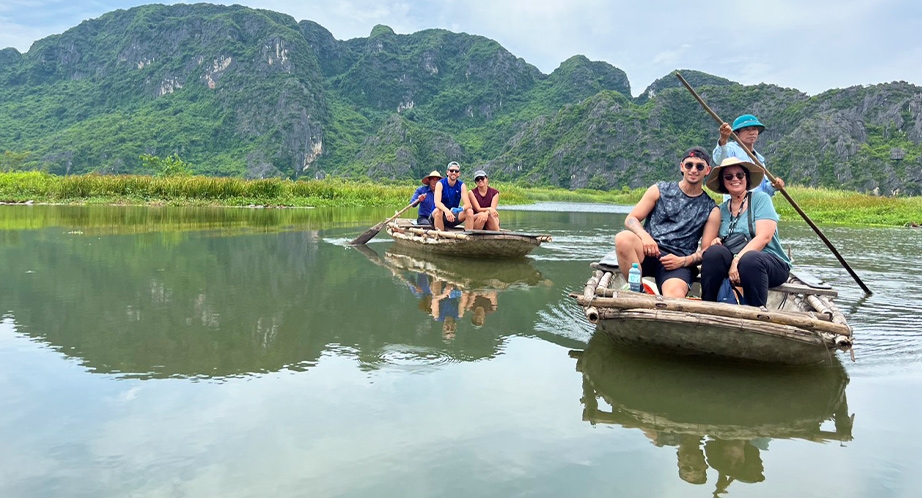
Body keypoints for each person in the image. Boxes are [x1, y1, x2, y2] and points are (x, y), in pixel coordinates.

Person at [613, 147, 721, 298]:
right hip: (648, 251)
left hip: (677, 261)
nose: (694, 170)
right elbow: (631, 219)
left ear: (707, 170)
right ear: (682, 166)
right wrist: (645, 236)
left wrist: (682, 261)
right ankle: (637, 290)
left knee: (674, 298)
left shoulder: (711, 209)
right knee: (623, 239)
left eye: (699, 166)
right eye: (689, 165)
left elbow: (705, 252)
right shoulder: (659, 190)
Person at [699, 157, 792, 308]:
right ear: (723, 182)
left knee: (750, 259)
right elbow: (710, 244)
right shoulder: (720, 209)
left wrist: (737, 260)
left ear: (746, 178)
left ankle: (755, 312)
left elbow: (765, 237)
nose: (735, 179)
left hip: (769, 264)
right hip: (735, 265)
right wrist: (716, 242)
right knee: (713, 253)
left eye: (739, 175)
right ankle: (708, 306)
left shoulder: (761, 199)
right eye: (729, 176)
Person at [712, 114, 784, 197]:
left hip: (757, 205)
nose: (752, 132)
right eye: (746, 129)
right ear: (736, 133)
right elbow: (719, 159)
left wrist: (774, 186)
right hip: (737, 204)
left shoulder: (759, 159)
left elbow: (763, 189)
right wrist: (723, 139)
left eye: (754, 129)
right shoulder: (731, 148)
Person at [432, 161, 474, 231]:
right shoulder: (440, 184)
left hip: (453, 216)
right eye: (451, 170)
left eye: (456, 171)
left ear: (459, 174)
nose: (454, 172)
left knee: (469, 212)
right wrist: (446, 211)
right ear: (447, 172)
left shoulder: (461, 185)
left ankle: (467, 237)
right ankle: (440, 236)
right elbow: (437, 203)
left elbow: (468, 204)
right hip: (440, 215)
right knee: (438, 211)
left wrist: (458, 210)